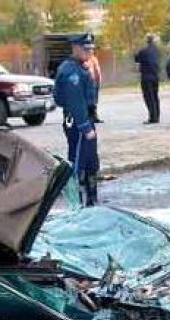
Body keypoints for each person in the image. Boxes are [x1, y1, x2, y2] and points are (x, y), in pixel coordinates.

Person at [54, 33, 100, 207]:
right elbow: (75, 102)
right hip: (76, 120)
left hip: (85, 117)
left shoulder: (81, 66)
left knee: (91, 160)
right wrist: (85, 126)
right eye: (85, 48)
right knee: (78, 160)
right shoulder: (70, 70)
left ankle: (91, 199)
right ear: (75, 48)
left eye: (91, 49)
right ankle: (76, 202)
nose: (89, 52)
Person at [135, 33, 161, 124]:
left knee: (149, 97)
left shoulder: (143, 51)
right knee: (155, 96)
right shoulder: (156, 51)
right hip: (155, 76)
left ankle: (152, 117)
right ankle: (157, 116)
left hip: (146, 76)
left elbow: (136, 58)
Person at [85, 48, 103, 123]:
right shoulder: (85, 59)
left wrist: (99, 81)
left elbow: (97, 71)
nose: (91, 51)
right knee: (89, 100)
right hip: (88, 82)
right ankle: (89, 116)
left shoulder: (93, 59)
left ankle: (93, 116)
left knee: (94, 100)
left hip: (94, 82)